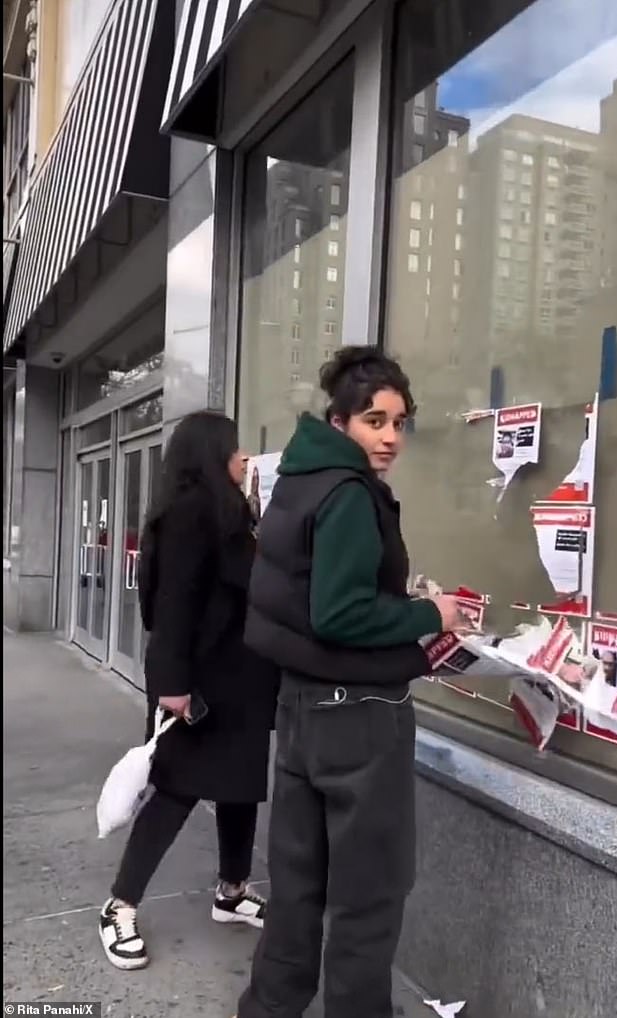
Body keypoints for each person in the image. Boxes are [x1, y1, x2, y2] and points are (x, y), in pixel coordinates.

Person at [234, 347, 461, 1018]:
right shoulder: (349, 494)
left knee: (297, 893)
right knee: (367, 901)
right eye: (374, 421)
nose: (390, 437)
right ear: (340, 423)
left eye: (399, 422)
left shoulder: (298, 480)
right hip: (359, 722)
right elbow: (339, 611)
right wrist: (430, 614)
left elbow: (304, 596)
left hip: (302, 711)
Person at [99, 411, 279, 971]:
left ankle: (232, 890)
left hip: (241, 678)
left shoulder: (228, 511)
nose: (244, 457)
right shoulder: (187, 515)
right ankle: (119, 904)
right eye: (235, 448)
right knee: (177, 790)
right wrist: (172, 685)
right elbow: (172, 605)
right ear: (211, 453)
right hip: (197, 682)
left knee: (240, 786)